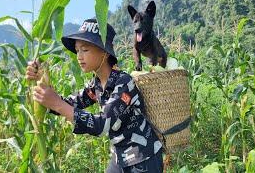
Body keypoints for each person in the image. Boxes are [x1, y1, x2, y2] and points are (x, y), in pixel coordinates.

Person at [26, 18, 164, 172]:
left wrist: (57, 103)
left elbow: (102, 124)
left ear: (104, 52)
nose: (79, 56)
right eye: (77, 50)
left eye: (85, 50)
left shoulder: (124, 83)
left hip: (143, 158)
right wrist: (41, 81)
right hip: (120, 157)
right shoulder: (95, 86)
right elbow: (69, 104)